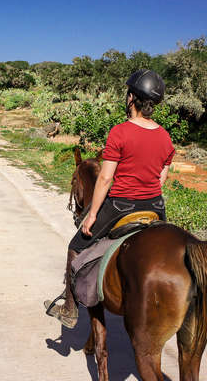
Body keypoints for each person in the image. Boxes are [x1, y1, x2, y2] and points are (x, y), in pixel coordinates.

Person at [44, 70, 175, 328]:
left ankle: (70, 310)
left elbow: (104, 179)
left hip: (121, 205)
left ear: (131, 98)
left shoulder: (120, 132)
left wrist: (91, 215)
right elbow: (162, 179)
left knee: (75, 246)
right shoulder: (165, 136)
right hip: (156, 207)